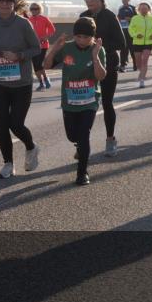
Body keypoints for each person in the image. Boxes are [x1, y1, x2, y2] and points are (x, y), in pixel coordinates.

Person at [0, 0, 42, 178]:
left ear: (14, 3)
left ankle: (31, 147)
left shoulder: (23, 24)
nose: (5, 4)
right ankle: (8, 164)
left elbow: (36, 48)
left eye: (9, 0)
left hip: (21, 83)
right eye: (1, 0)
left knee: (15, 124)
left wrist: (19, 56)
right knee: (1, 124)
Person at [43, 18, 107, 185]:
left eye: (86, 37)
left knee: (84, 134)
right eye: (78, 36)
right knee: (72, 136)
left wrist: (95, 57)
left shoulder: (98, 49)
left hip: (90, 100)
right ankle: (78, 147)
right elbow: (47, 65)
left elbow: (101, 76)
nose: (82, 40)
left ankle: (82, 172)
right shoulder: (67, 47)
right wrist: (54, 48)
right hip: (69, 100)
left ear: (92, 36)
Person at [81, 0, 126, 156]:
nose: (89, 1)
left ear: (101, 0)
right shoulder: (83, 17)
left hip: (108, 65)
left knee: (106, 103)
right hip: (86, 66)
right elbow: (78, 40)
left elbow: (121, 43)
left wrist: (99, 48)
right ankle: (82, 144)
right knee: (86, 105)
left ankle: (110, 139)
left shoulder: (109, 17)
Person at [128, 1, 152, 88]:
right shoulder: (135, 18)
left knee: (145, 60)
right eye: (141, 9)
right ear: (138, 9)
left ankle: (141, 79)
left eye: (145, 8)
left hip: (149, 42)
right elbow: (130, 29)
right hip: (137, 42)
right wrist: (136, 35)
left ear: (149, 9)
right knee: (138, 63)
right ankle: (142, 73)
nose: (143, 10)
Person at [27, 2, 56, 91]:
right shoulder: (28, 20)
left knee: (39, 64)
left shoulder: (44, 19)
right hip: (32, 46)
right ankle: (41, 83)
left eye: (36, 9)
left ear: (40, 9)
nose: (34, 11)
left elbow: (52, 30)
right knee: (36, 66)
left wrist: (45, 37)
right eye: (32, 9)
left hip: (43, 45)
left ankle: (45, 79)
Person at [117, 0, 137, 72]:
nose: (123, 0)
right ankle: (122, 65)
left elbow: (137, 18)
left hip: (131, 31)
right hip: (123, 30)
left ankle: (135, 65)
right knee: (123, 48)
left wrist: (130, 19)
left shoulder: (133, 8)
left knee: (132, 48)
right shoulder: (120, 8)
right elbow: (118, 17)